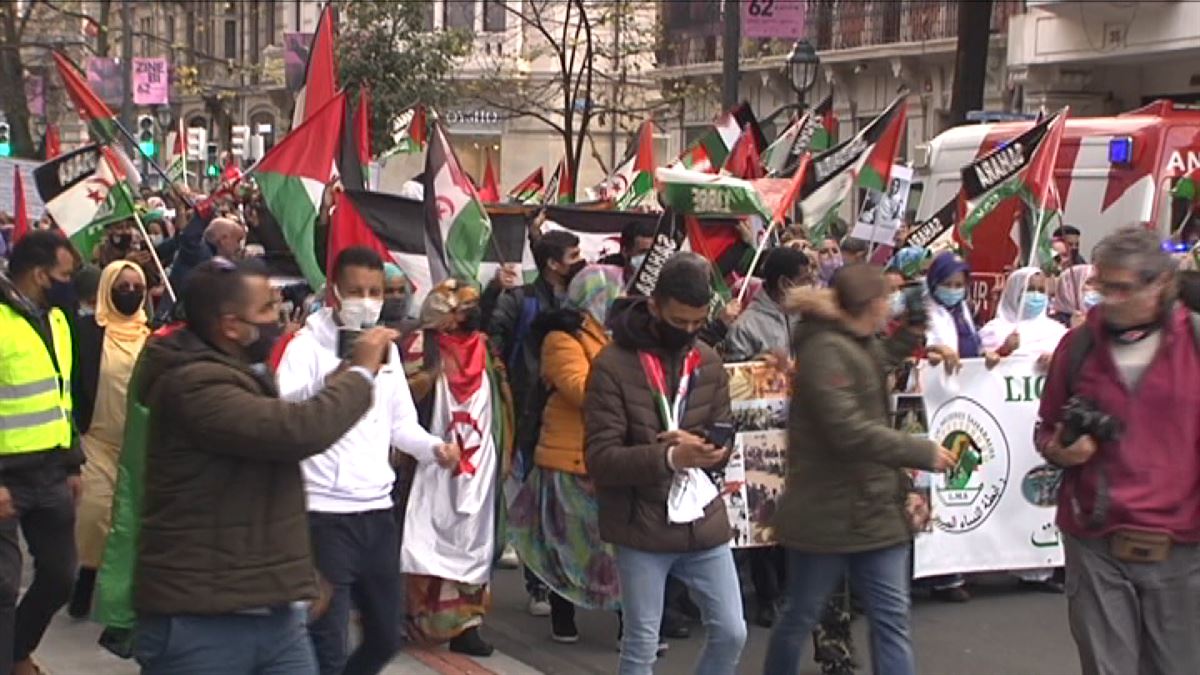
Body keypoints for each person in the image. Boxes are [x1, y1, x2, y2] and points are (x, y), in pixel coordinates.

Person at [132, 258, 393, 675]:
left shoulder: (245, 373)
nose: (280, 321)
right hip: (201, 618)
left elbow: (262, 488)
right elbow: (297, 431)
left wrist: (296, 572)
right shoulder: (193, 384)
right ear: (232, 326)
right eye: (268, 311)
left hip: (272, 615)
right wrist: (360, 372)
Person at [275, 247, 460, 675]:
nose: (367, 300)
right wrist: (343, 374)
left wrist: (435, 449)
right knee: (327, 642)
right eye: (356, 290)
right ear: (334, 292)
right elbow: (285, 413)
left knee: (385, 636)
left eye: (375, 291)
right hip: (321, 515)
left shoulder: (387, 350)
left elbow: (400, 425)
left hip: (376, 514)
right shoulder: (305, 346)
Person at [763, 264, 955, 675]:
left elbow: (878, 360)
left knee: (891, 619)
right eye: (886, 299)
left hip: (873, 509)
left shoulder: (854, 340)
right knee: (802, 614)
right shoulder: (824, 351)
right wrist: (917, 450)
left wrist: (914, 326)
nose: (891, 306)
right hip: (826, 513)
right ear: (869, 304)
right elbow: (846, 431)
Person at [1035, 228, 1200, 675]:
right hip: (1095, 542)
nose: (1107, 299)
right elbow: (1046, 427)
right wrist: (1060, 450)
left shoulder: (1195, 343)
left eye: (1121, 288)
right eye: (1101, 287)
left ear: (1161, 284)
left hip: (1182, 549)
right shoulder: (1079, 345)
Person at [585, 252, 747, 675]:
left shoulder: (708, 360)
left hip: (702, 519)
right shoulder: (611, 365)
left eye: (698, 323)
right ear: (654, 305)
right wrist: (670, 456)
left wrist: (714, 450)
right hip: (641, 524)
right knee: (642, 645)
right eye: (680, 323)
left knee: (732, 631)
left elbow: (723, 430)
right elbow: (601, 460)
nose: (690, 332)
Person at [509, 264, 624, 644]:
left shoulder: (614, 336)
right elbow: (578, 389)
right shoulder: (562, 339)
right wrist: (623, 380)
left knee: (613, 549)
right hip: (567, 458)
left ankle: (630, 623)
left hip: (608, 455)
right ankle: (564, 618)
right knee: (566, 544)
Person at [402, 280, 513, 657]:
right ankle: (415, 618)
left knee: (473, 539)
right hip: (428, 464)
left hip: (478, 463)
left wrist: (503, 451)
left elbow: (502, 401)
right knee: (421, 534)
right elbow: (401, 400)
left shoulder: (484, 348)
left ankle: (467, 626)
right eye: (464, 307)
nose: (471, 313)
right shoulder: (420, 347)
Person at [485, 229, 583, 616]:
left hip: (565, 418)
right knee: (532, 500)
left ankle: (561, 581)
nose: (580, 260)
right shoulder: (521, 299)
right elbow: (491, 337)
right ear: (553, 264)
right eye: (573, 255)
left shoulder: (583, 298)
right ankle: (538, 584)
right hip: (528, 411)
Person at [0, 231, 83, 675]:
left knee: (59, 576)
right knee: (3, 584)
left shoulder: (56, 321)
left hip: (51, 471)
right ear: (38, 274)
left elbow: (61, 397)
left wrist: (73, 463)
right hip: (6, 475)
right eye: (64, 274)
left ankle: (15, 652)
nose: (69, 282)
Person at [67, 261, 151, 621]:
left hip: (138, 443)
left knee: (134, 519)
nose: (130, 293)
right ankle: (86, 575)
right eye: (123, 285)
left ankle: (126, 593)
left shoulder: (153, 337)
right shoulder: (86, 332)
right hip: (96, 439)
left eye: (137, 287)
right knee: (95, 512)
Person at [919, 251, 979, 603]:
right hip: (933, 407)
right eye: (948, 284)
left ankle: (958, 564)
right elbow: (915, 351)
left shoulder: (963, 314)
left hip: (964, 406)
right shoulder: (923, 312)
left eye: (960, 284)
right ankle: (937, 572)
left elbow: (972, 348)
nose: (955, 291)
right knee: (935, 485)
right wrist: (936, 352)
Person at [724, 247, 809, 363]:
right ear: (784, 284)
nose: (810, 286)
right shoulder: (745, 328)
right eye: (805, 280)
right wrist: (757, 365)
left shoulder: (805, 315)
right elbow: (738, 376)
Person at [979, 267, 1067, 371]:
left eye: (1041, 291)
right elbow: (976, 369)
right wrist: (1004, 349)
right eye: (1029, 289)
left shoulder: (1058, 332)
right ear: (1013, 292)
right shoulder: (992, 331)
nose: (1036, 295)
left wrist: (1056, 360)